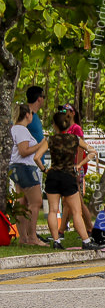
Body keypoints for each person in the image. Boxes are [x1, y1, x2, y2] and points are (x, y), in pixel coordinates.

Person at [33, 110, 101, 249]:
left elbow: (36, 158)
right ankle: (86, 241)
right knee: (76, 211)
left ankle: (56, 241)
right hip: (68, 176)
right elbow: (93, 152)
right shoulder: (75, 139)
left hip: (53, 176)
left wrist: (45, 170)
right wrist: (79, 165)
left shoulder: (50, 140)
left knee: (53, 210)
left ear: (55, 125)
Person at [10, 104, 47, 246]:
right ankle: (32, 237)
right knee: (36, 202)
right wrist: (41, 144)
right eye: (31, 114)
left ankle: (23, 237)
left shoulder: (15, 129)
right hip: (25, 168)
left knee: (22, 202)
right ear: (27, 115)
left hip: (17, 168)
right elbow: (24, 151)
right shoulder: (22, 130)